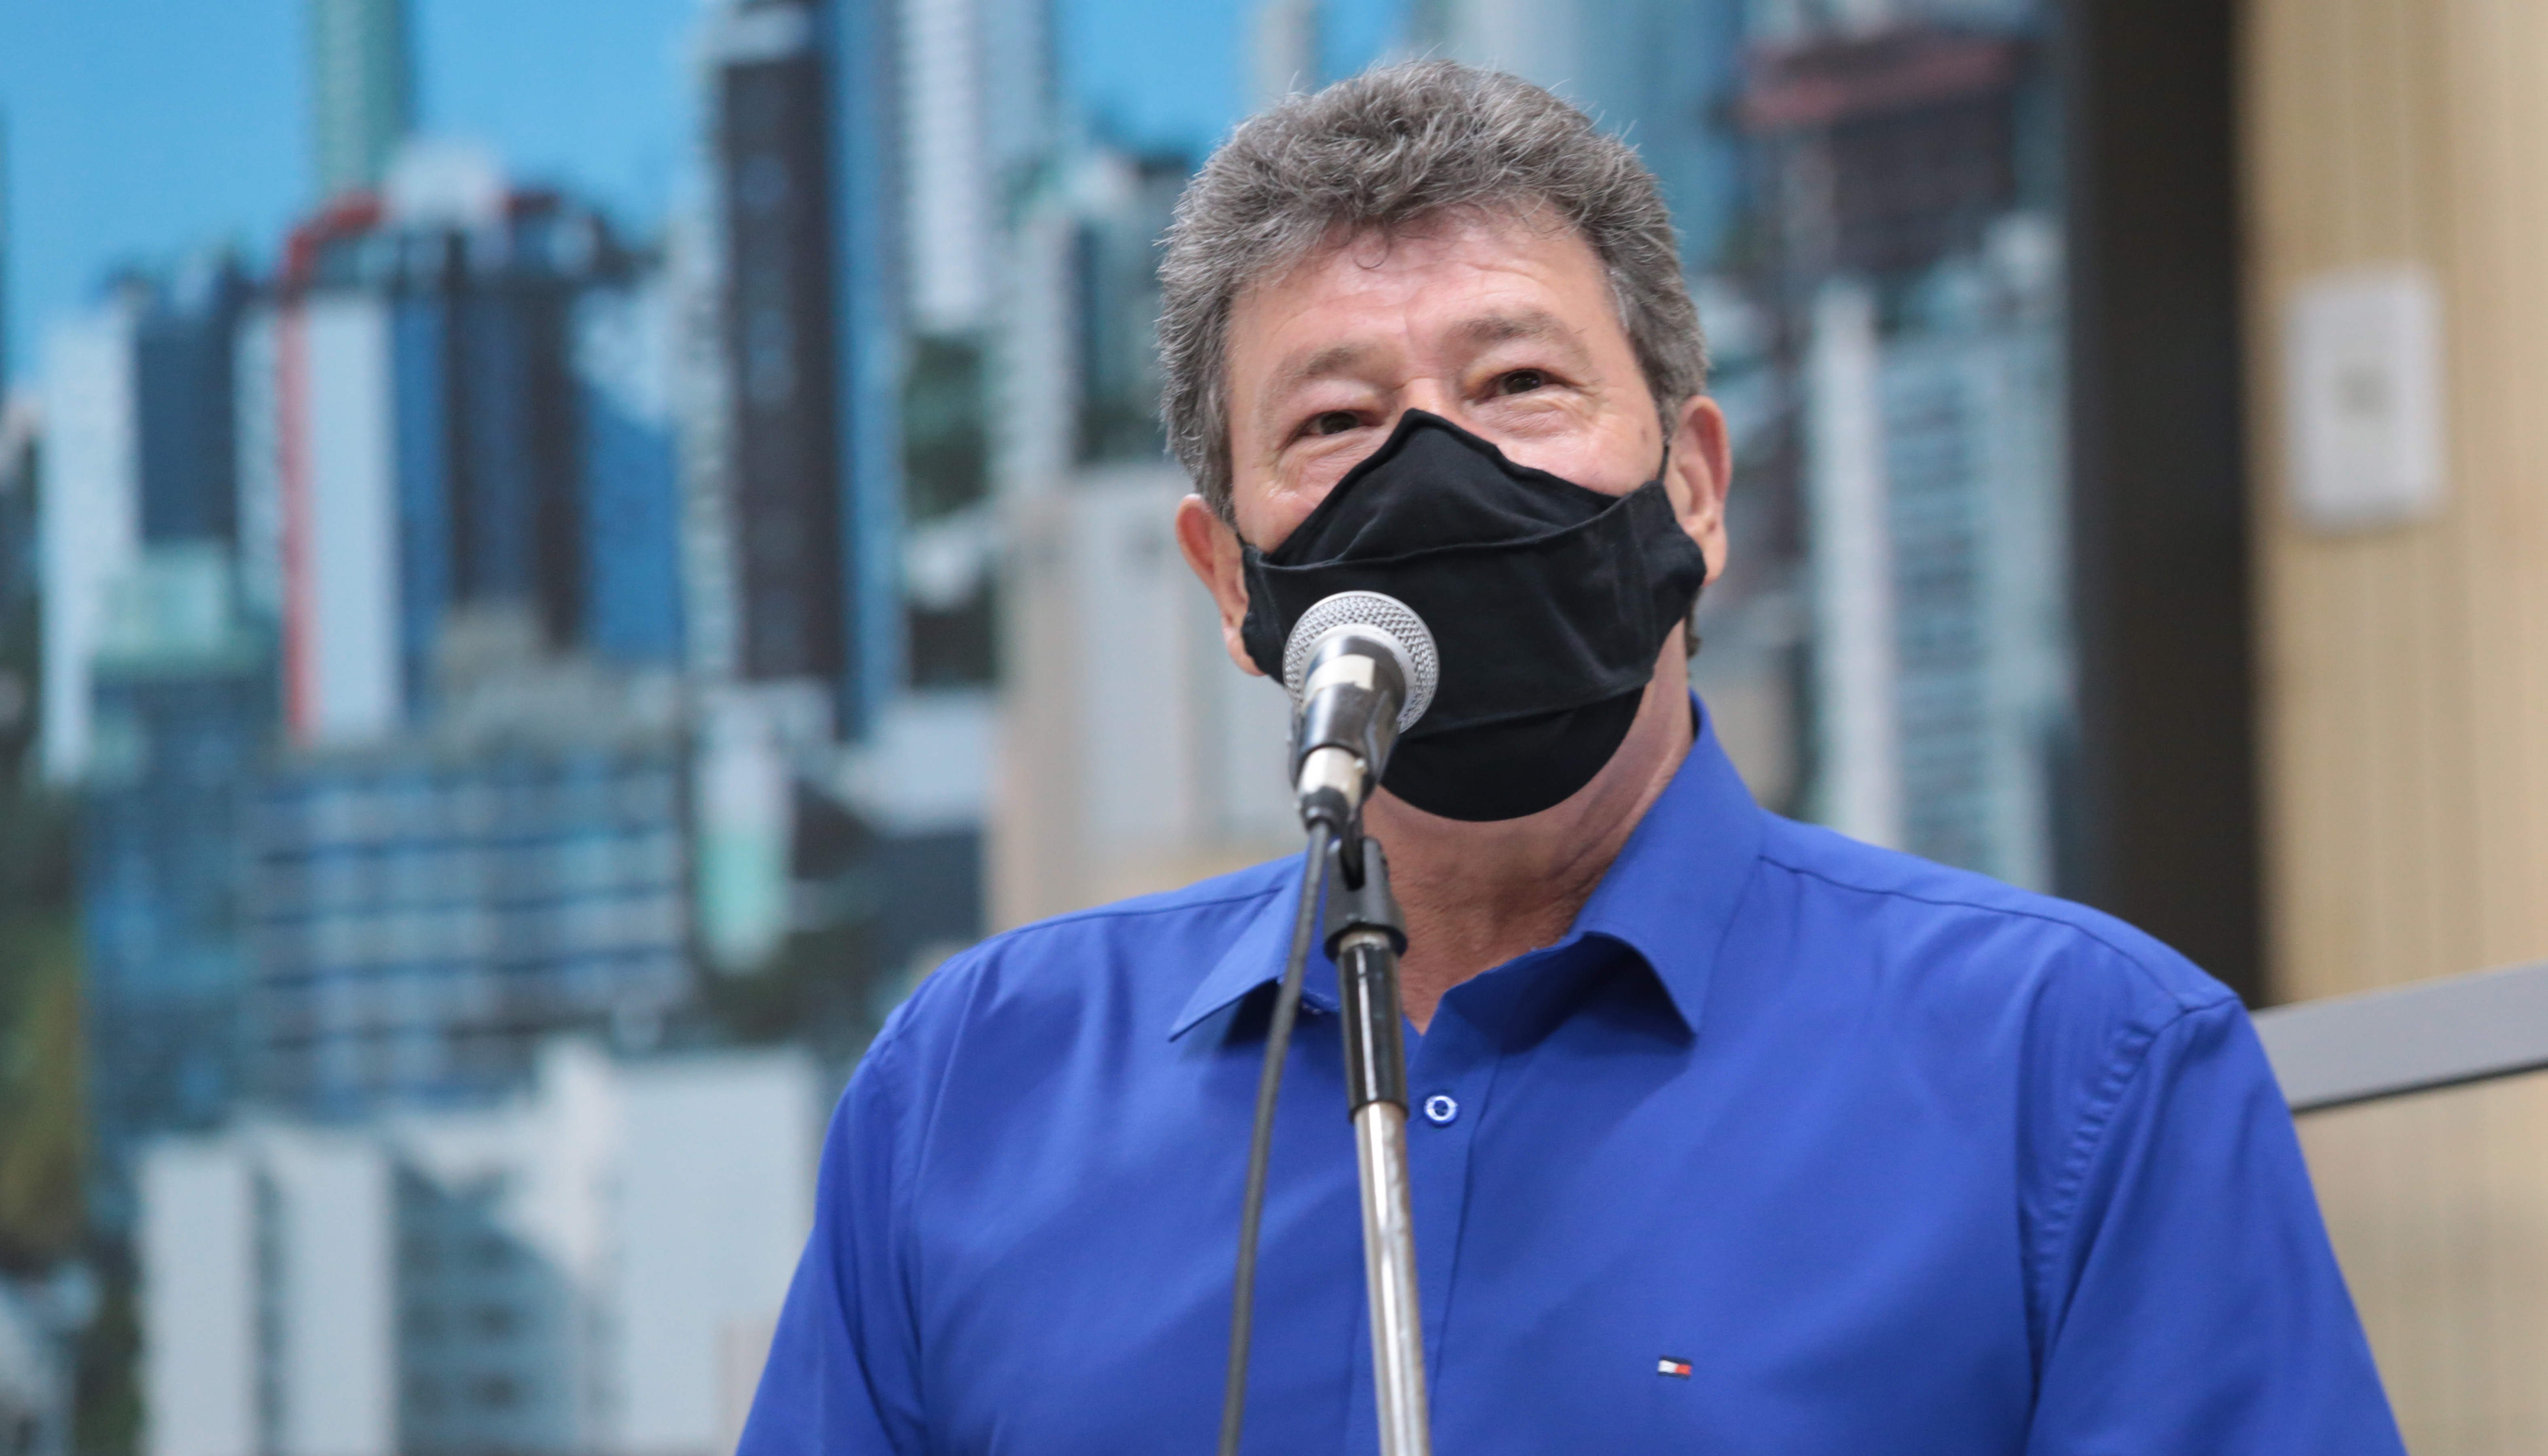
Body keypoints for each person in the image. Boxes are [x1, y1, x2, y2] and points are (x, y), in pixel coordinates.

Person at [741, 62, 2403, 1453]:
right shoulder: (976, 1087)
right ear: (1229, 580)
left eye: (1519, 382)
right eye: (1333, 422)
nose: (1434, 469)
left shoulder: (2082, 1067)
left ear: (1694, 487)